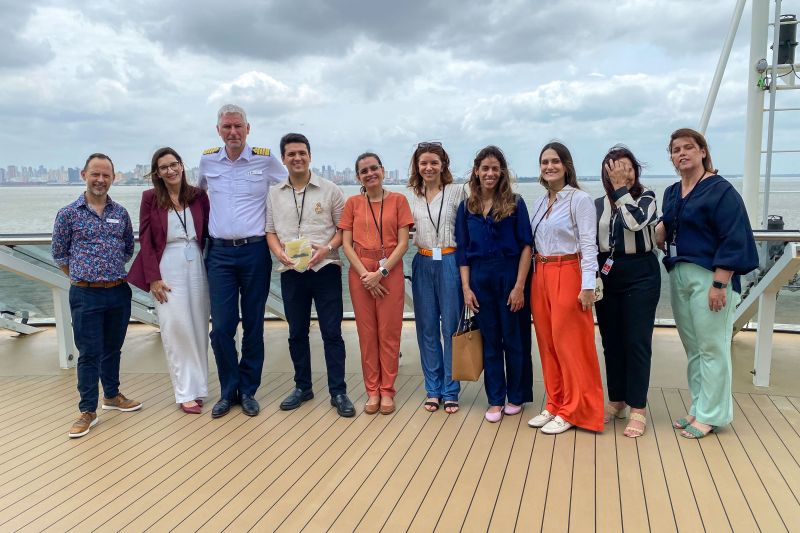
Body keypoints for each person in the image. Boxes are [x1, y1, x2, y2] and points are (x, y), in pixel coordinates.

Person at [655, 128, 758, 439]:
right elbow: (668, 227)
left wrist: (720, 284)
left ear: (702, 152)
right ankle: (699, 406)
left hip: (710, 276)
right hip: (679, 273)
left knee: (712, 347)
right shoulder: (672, 192)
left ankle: (712, 415)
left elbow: (733, 237)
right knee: (694, 349)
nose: (682, 153)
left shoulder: (721, 191)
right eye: (676, 150)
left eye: (688, 147)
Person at [198, 104, 288, 418]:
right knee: (222, 327)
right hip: (219, 254)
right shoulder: (208, 160)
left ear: (248, 129)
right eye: (227, 127)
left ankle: (248, 390)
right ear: (218, 130)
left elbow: (289, 189)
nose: (233, 132)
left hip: (255, 251)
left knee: (252, 324)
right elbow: (196, 196)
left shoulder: (265, 159)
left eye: (238, 126)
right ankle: (228, 390)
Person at [52, 153, 142, 438]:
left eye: (106, 175)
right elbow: (59, 253)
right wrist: (83, 276)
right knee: (89, 353)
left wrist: (107, 272)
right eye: (95, 174)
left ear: (113, 178)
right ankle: (87, 411)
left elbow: (128, 248)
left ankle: (112, 395)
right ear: (84, 175)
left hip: (118, 291)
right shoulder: (68, 214)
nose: (100, 180)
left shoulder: (121, 213)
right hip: (85, 294)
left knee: (113, 348)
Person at [266, 133, 355, 418]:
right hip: (291, 270)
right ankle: (302, 387)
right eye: (291, 154)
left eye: (302, 153)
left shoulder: (330, 190)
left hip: (325, 268)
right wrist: (278, 252)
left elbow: (343, 229)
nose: (297, 158)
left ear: (310, 156)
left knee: (332, 332)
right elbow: (270, 231)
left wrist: (327, 249)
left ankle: (338, 391)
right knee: (296, 333)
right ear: (283, 159)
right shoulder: (274, 193)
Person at [527, 141, 604, 435]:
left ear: (566, 165)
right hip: (541, 273)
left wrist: (588, 285)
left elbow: (588, 244)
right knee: (547, 343)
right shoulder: (540, 202)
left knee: (570, 344)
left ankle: (576, 409)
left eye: (555, 161)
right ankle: (555, 403)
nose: (549, 166)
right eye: (544, 162)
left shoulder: (579, 200)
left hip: (568, 270)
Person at [128, 147, 211, 414]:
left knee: (198, 326)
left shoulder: (198, 196)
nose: (170, 170)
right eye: (164, 167)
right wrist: (153, 278)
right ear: (157, 173)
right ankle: (185, 391)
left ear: (182, 165)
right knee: (176, 327)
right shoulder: (150, 198)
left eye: (174, 164)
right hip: (167, 265)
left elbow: (208, 231)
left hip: (196, 262)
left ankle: (199, 388)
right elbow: (146, 240)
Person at [455, 145, 533, 423]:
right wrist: (466, 288)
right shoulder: (467, 207)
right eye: (485, 168)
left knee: (514, 338)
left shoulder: (515, 203)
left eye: (495, 169)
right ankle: (495, 399)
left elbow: (527, 246)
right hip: (480, 279)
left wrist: (519, 286)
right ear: (476, 171)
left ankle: (517, 395)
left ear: (502, 173)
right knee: (489, 341)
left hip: (510, 275)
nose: (490, 173)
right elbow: (463, 251)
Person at [594, 145, 660, 437]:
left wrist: (621, 190)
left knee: (637, 341)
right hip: (607, 272)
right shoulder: (597, 204)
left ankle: (638, 408)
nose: (622, 174)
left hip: (640, 273)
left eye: (627, 168)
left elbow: (635, 222)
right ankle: (617, 399)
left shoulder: (647, 198)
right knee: (612, 341)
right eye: (615, 169)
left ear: (636, 170)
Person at [340, 152, 413, 415]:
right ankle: (372, 389)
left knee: (389, 333)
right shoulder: (352, 203)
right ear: (358, 176)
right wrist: (366, 276)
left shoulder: (399, 200)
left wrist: (380, 273)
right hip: (360, 272)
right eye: (364, 171)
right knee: (367, 334)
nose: (370, 174)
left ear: (382, 170)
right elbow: (346, 244)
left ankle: (387, 390)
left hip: (389, 270)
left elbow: (403, 244)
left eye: (374, 168)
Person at [407, 142, 466, 414]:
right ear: (417, 166)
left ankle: (450, 390)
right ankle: (433, 389)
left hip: (450, 260)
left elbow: (466, 229)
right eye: (423, 163)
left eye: (434, 162)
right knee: (427, 328)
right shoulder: (411, 195)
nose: (428, 167)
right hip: (422, 260)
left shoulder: (457, 191)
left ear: (443, 165)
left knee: (451, 327)